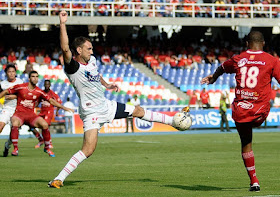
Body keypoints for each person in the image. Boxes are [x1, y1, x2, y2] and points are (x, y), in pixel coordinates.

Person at [48, 11, 189, 189]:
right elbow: (65, 49)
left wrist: (106, 85)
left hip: (106, 105)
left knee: (137, 110)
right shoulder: (73, 67)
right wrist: (62, 24)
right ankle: (59, 178)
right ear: (79, 50)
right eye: (89, 48)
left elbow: (96, 75)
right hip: (91, 112)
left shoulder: (91, 61)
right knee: (88, 150)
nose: (92, 51)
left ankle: (173, 121)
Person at [201, 31, 280, 192]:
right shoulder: (271, 60)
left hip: (240, 111)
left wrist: (214, 78)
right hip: (259, 111)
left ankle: (254, 181)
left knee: (246, 143)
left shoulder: (238, 59)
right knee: (266, 99)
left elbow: (222, 67)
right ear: (264, 43)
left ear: (247, 43)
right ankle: (254, 181)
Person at [0, 71, 74, 157]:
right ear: (29, 78)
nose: (35, 78)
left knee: (44, 124)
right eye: (33, 76)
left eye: (36, 77)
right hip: (19, 114)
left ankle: (47, 148)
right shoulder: (21, 87)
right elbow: (6, 91)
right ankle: (15, 149)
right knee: (15, 122)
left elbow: (51, 100)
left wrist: (64, 108)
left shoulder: (39, 91)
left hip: (31, 115)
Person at [0, 64, 23, 157]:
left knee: (13, 131)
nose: (11, 73)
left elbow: (23, 95)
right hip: (6, 108)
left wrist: (13, 96)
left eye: (13, 71)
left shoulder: (20, 82)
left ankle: (7, 145)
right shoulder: (2, 84)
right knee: (0, 126)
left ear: (15, 73)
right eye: (9, 71)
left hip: (17, 110)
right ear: (6, 73)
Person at [34, 80, 62, 148]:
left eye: (48, 84)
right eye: (45, 84)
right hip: (42, 112)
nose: (47, 86)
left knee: (45, 127)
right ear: (44, 85)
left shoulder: (52, 94)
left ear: (50, 85)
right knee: (32, 126)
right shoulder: (41, 93)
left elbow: (59, 103)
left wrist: (57, 111)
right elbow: (37, 102)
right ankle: (41, 140)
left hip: (49, 112)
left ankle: (49, 142)